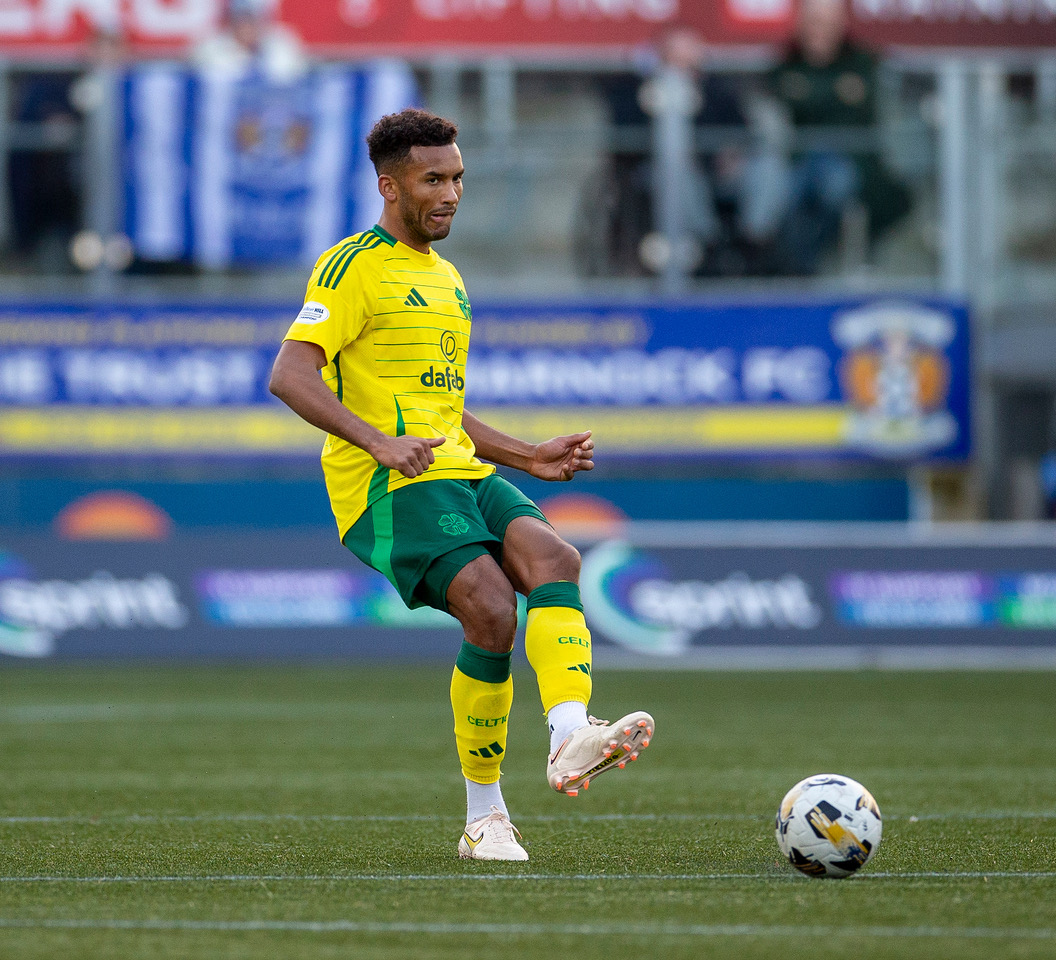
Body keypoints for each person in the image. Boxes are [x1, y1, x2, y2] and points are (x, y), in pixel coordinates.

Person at [269, 108, 655, 861]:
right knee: (490, 608)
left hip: (460, 468)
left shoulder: (447, 279)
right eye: (432, 179)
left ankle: (571, 733)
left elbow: (445, 410)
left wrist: (527, 456)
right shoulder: (352, 265)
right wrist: (378, 442)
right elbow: (289, 373)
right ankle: (486, 819)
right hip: (389, 487)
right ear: (390, 185)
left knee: (557, 562)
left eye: (457, 179)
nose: (449, 194)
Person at [763, 0, 913, 275]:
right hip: (795, 160)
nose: (820, 30)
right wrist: (836, 93)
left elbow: (860, 108)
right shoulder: (786, 61)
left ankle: (807, 265)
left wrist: (809, 94)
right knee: (777, 193)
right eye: (814, 22)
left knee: (836, 184)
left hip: (853, 163)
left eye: (828, 22)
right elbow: (780, 103)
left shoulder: (861, 61)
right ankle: (789, 268)